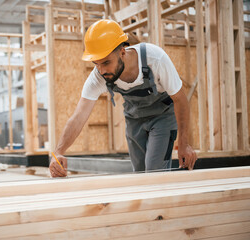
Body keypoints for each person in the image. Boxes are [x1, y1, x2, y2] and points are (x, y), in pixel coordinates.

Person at [49, 19, 197, 178]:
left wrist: (183, 143)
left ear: (123, 52)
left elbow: (180, 99)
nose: (101, 70)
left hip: (162, 118)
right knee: (139, 175)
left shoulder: (155, 59)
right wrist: (58, 153)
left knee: (155, 173)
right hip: (134, 119)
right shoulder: (99, 76)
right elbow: (78, 116)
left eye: (106, 62)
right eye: (96, 63)